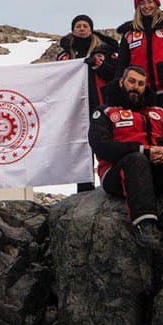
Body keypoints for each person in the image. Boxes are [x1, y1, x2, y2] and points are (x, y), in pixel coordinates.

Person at [89, 66, 163, 251]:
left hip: (154, 171)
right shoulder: (105, 112)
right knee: (137, 159)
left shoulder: (158, 113)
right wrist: (143, 151)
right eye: (132, 81)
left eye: (140, 84)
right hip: (119, 173)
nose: (136, 87)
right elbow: (100, 145)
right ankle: (145, 224)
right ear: (121, 82)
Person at [100, 0, 163, 136]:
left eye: (150, 2)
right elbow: (122, 63)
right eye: (142, 3)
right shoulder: (129, 33)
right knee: (147, 126)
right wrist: (118, 83)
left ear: (157, 4)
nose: (146, 6)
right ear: (137, 7)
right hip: (141, 90)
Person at [57, 14, 119, 192]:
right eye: (78, 26)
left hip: (101, 105)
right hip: (76, 109)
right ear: (72, 30)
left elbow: (116, 75)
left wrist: (98, 64)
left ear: (91, 29)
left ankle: (113, 184)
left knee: (105, 144)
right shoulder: (64, 55)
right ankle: (84, 190)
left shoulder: (106, 52)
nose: (82, 29)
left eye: (85, 25)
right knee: (82, 149)